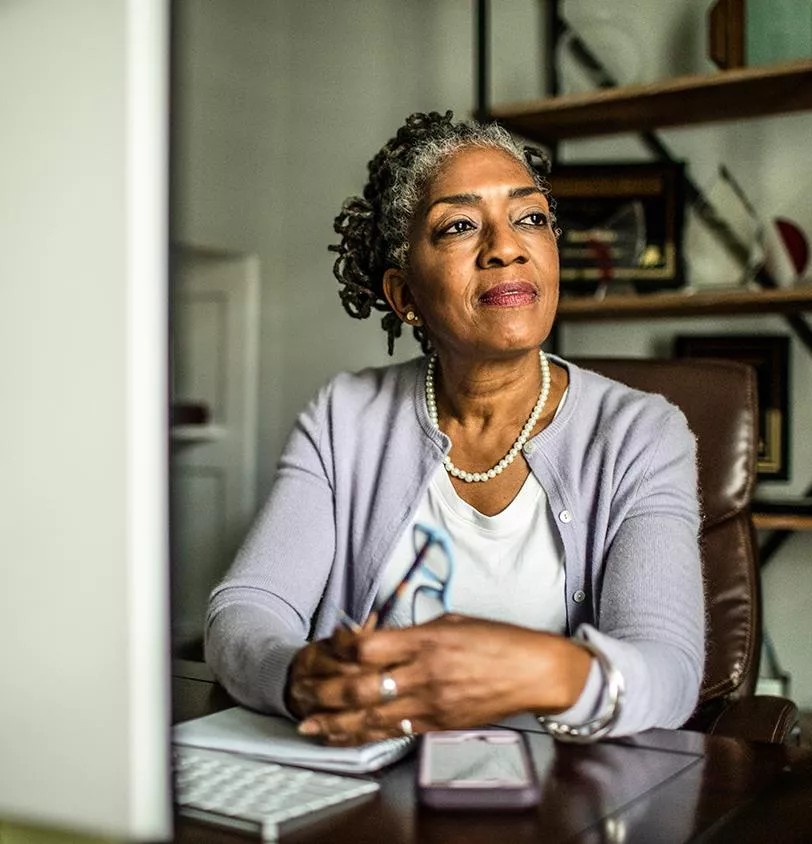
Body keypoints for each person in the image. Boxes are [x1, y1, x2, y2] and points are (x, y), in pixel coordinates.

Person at [205, 110, 704, 746]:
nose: (507, 245)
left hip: (570, 796)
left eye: (531, 218)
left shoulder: (641, 433)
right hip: (364, 791)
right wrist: (298, 674)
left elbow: (671, 674)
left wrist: (538, 668)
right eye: (461, 226)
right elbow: (244, 611)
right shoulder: (344, 417)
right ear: (404, 295)